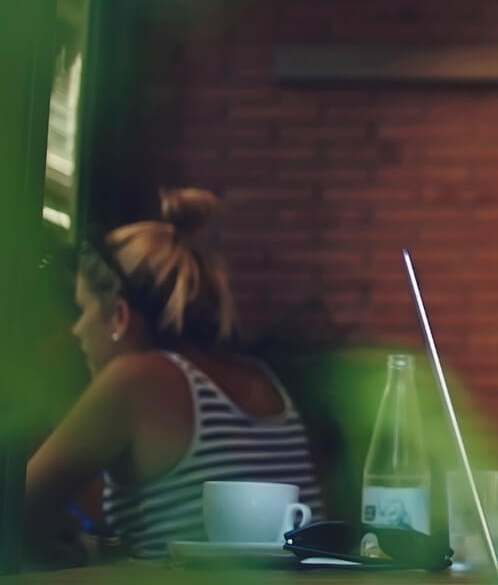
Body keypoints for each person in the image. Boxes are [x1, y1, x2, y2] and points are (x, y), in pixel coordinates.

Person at [26, 188, 320, 558]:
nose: (77, 329)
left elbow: (15, 509)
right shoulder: (262, 380)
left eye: (83, 310)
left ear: (119, 316)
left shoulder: (133, 380)